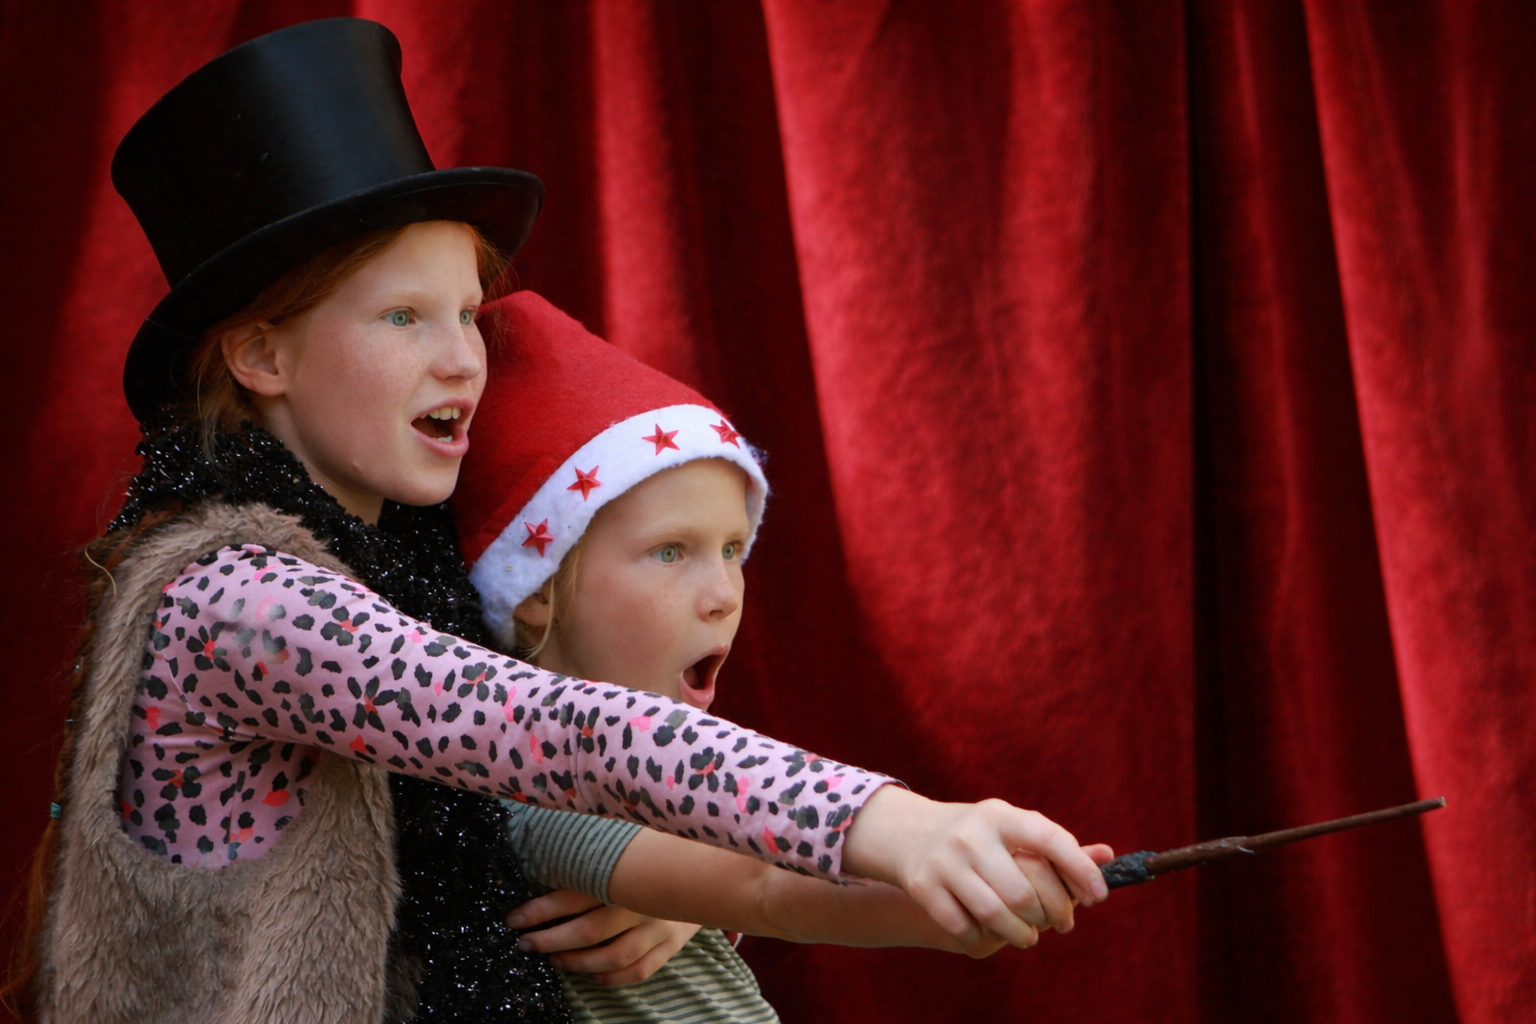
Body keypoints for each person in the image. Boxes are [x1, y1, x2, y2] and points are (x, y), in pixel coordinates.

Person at [4, 19, 1109, 1024]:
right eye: (402, 316)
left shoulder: (403, 566)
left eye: (466, 316)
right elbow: (556, 729)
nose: (458, 360)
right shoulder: (240, 597)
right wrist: (898, 823)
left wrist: (687, 882)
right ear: (262, 355)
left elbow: (541, 811)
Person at [450, 292, 1115, 1023]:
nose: (723, 594)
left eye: (733, 550)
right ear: (534, 591)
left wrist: (961, 895)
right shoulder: (529, 784)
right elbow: (763, 884)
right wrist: (924, 864)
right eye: (670, 552)